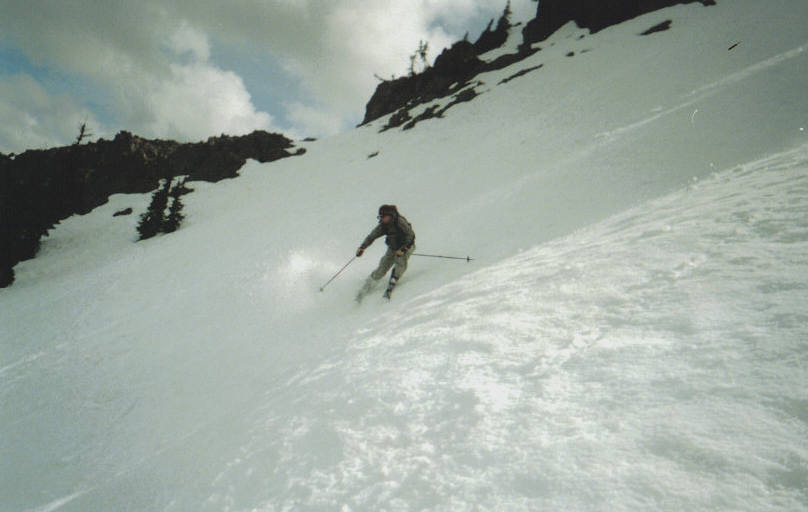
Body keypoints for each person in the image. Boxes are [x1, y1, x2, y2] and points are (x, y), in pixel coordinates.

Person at [356, 204, 415, 298]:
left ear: (391, 215)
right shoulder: (383, 226)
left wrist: (404, 249)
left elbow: (411, 236)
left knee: (400, 262)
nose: (382, 218)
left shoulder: (400, 222)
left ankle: (393, 282)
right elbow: (372, 236)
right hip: (393, 247)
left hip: (406, 246)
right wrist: (362, 247)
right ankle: (368, 285)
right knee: (383, 265)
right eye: (381, 216)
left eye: (384, 216)